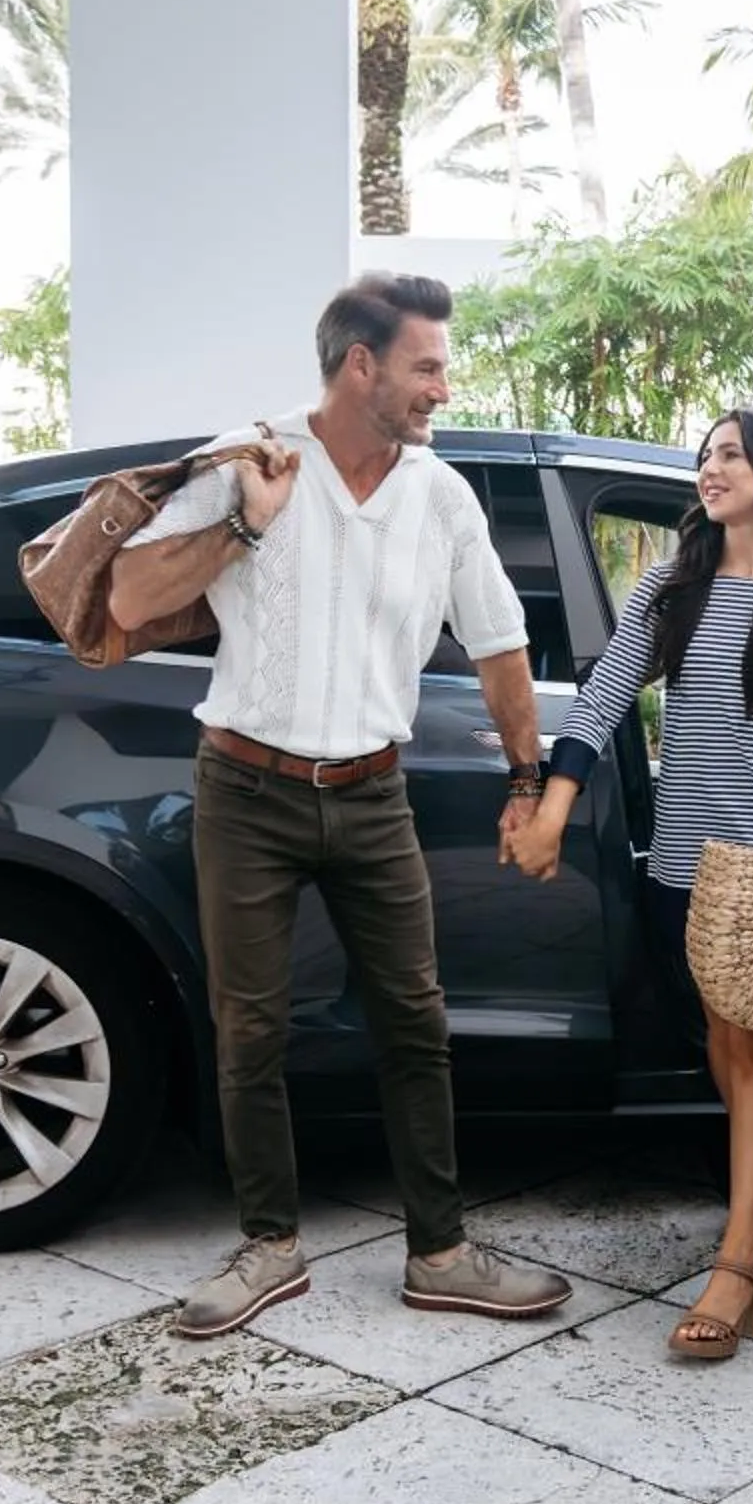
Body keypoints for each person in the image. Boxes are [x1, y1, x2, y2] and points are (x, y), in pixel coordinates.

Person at [108, 272, 572, 1339]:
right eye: (426, 365)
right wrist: (244, 523)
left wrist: (523, 777)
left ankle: (440, 1252)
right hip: (245, 791)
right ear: (361, 365)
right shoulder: (251, 458)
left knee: (415, 1022)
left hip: (373, 795)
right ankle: (269, 1245)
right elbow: (129, 596)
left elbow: (500, 641)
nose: (441, 387)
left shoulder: (439, 495)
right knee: (250, 1028)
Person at [510, 410, 753, 1361]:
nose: (708, 470)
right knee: (720, 1033)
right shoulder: (672, 588)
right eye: (703, 457)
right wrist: (551, 804)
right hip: (685, 858)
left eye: (728, 456)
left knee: (750, 1041)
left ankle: (737, 1266)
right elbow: (603, 698)